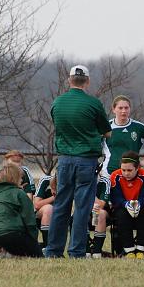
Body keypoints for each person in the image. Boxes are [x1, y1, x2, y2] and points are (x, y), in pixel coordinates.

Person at [44, 65, 112, 258]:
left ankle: (53, 251)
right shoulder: (93, 104)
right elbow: (106, 131)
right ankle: (76, 251)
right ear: (87, 81)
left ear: (69, 80)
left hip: (64, 160)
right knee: (82, 208)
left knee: (60, 206)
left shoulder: (58, 102)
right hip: (86, 161)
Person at [0, 162, 42, 257]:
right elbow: (29, 220)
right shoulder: (19, 193)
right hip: (10, 236)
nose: (22, 179)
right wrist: (33, 242)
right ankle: (9, 252)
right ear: (15, 177)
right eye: (21, 177)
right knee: (38, 255)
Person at [101, 95, 144, 175]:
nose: (123, 111)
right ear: (113, 109)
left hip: (132, 174)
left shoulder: (138, 127)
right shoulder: (105, 127)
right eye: (120, 108)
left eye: (126, 108)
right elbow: (93, 146)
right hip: (109, 173)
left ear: (130, 109)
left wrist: (143, 163)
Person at [110, 151, 144, 258]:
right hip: (122, 206)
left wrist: (139, 203)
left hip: (140, 206)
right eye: (123, 170)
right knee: (121, 216)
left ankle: (141, 250)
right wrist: (126, 204)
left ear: (137, 168)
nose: (126, 173)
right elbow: (115, 198)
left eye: (129, 170)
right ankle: (128, 250)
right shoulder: (115, 175)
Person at [89, 174, 111, 258]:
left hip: (101, 213)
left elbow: (101, 204)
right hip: (85, 211)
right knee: (82, 214)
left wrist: (88, 190)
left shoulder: (104, 181)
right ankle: (86, 251)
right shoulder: (79, 180)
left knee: (99, 212)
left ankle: (96, 252)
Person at [34, 174, 56, 248]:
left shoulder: (71, 181)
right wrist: (55, 197)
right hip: (41, 216)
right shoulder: (46, 180)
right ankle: (47, 247)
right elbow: (37, 205)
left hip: (61, 215)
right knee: (48, 209)